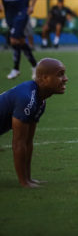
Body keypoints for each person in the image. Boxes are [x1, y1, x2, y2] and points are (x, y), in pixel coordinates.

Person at [0, 58, 68, 187]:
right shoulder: (27, 99)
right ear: (43, 79)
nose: (65, 78)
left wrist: (29, 179)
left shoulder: (40, 100)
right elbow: (18, 144)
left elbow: (28, 142)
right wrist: (24, 182)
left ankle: (28, 179)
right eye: (60, 74)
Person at [1, 0, 38, 79]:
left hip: (22, 14)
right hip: (9, 15)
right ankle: (34, 65)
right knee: (20, 41)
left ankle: (16, 68)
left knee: (13, 39)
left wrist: (31, 6)